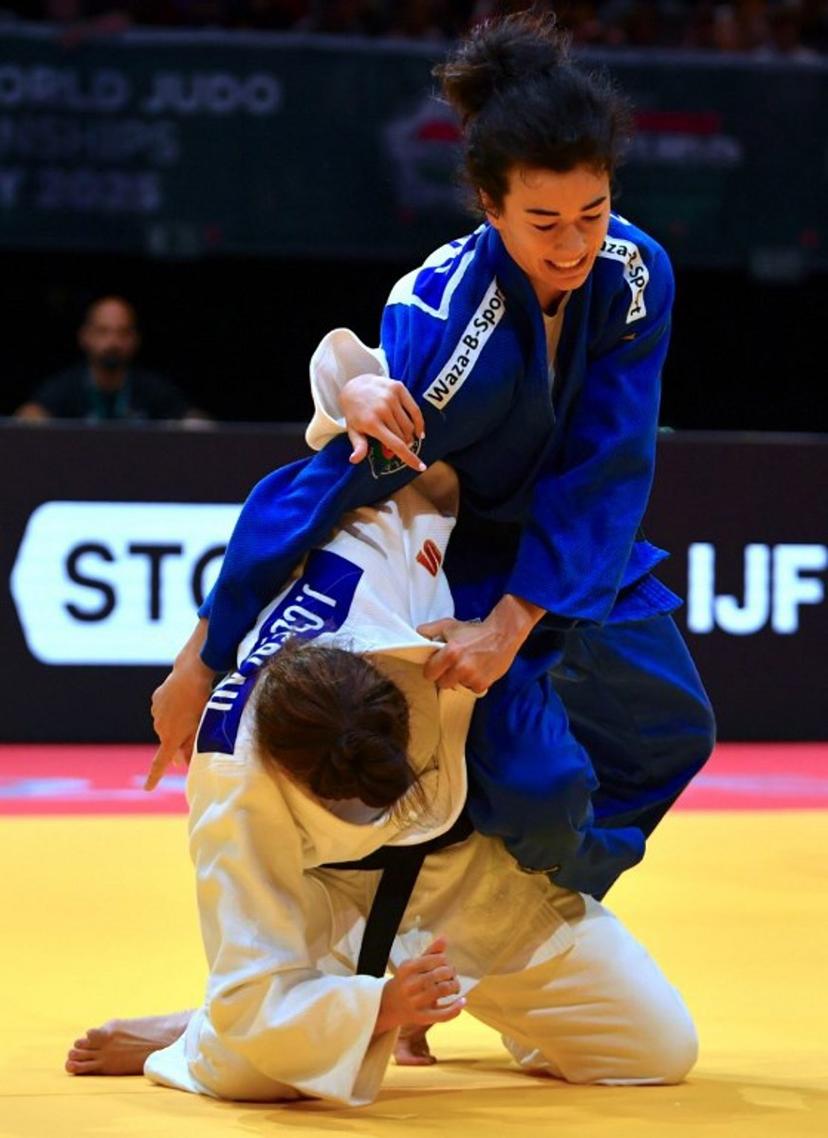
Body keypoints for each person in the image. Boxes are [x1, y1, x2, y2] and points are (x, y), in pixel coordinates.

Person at [67, 473, 698, 1104]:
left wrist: (363, 390)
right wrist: (383, 1006)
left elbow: (415, 472)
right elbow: (255, 990)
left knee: (654, 1048)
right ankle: (193, 1033)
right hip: (329, 896)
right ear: (286, 769)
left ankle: (492, 1008)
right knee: (251, 1070)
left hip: (458, 866)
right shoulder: (232, 774)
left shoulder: (376, 569)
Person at [14, 295, 203, 422]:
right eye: (103, 332)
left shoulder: (154, 390)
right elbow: (28, 421)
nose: (113, 342)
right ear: (85, 336)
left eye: (122, 333)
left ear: (135, 340)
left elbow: (195, 424)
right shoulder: (63, 388)